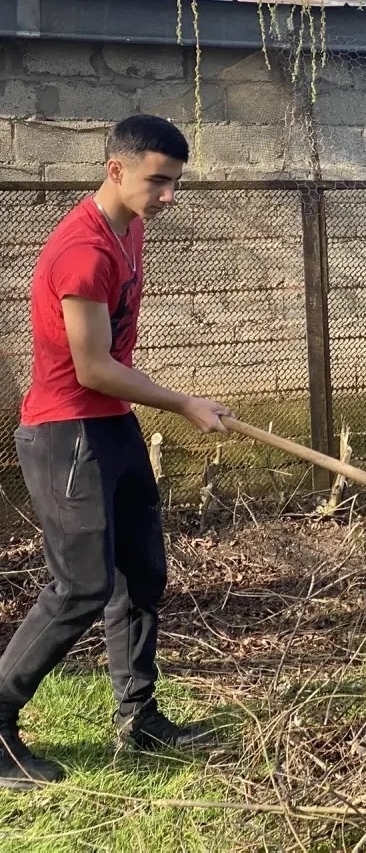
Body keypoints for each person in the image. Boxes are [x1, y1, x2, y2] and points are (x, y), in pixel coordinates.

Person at [0, 115, 232, 791]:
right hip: (67, 431)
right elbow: (93, 366)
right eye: (157, 181)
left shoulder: (128, 228)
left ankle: (140, 718)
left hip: (111, 426)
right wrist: (185, 402)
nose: (168, 196)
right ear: (116, 170)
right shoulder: (84, 250)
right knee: (80, 588)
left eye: (174, 183)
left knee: (140, 572)